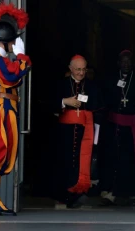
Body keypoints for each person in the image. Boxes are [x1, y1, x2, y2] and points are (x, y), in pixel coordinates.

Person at [0, 3, 31, 216]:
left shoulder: (0, 60)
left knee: (2, 155)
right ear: (6, 41)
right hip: (0, 110)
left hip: (6, 109)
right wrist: (21, 57)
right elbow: (12, 76)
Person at [52, 55, 103, 208]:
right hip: (65, 132)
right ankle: (63, 195)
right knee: (64, 161)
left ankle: (78, 193)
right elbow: (49, 102)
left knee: (81, 161)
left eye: (83, 69)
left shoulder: (92, 86)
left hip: (85, 131)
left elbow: (99, 108)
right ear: (71, 68)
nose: (81, 73)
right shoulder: (61, 84)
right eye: (78, 69)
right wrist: (65, 101)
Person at [98, 50, 135, 206]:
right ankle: (110, 190)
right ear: (119, 63)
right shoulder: (111, 78)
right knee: (112, 157)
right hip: (114, 125)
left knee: (131, 158)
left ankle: (131, 192)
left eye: (128, 62)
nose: (126, 65)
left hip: (132, 125)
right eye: (123, 62)